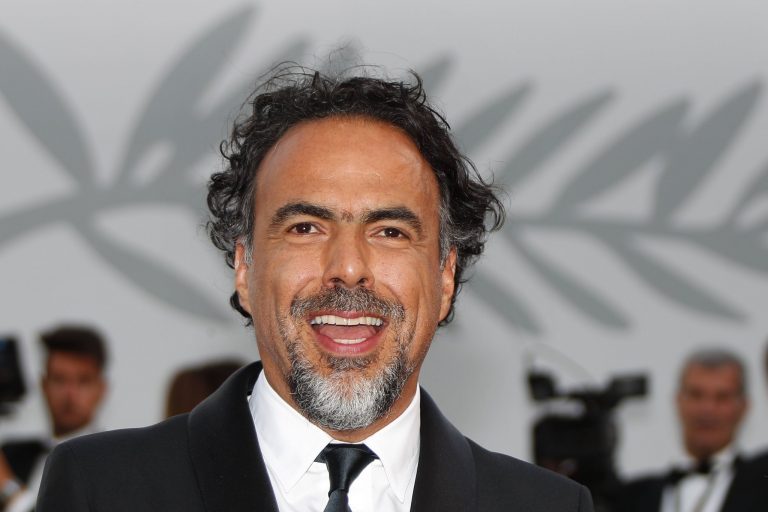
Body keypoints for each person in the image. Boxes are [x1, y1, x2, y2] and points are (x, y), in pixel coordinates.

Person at [37, 67, 594, 511]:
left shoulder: (545, 506)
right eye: (306, 228)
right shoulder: (101, 490)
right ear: (244, 267)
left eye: (389, 231)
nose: (348, 267)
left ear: (445, 276)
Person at [617, 348, 767, 512]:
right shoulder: (634, 496)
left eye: (722, 397)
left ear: (744, 407)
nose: (707, 409)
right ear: (678, 401)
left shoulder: (762, 483)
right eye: (696, 395)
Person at [0, 325, 107, 512]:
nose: (70, 395)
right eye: (59, 380)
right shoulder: (12, 453)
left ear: (101, 388)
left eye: (83, 381)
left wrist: (9, 490)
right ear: (43, 385)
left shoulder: (110, 463)